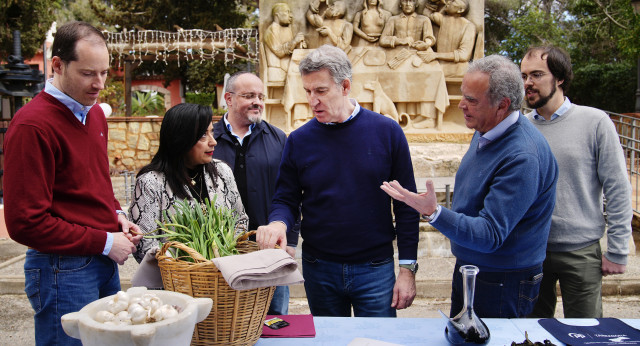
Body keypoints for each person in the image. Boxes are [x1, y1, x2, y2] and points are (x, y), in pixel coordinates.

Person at [381, 54, 559, 318]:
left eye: (472, 100)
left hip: (502, 279)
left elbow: (490, 234)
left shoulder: (522, 156)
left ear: (503, 105)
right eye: (463, 95)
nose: (461, 105)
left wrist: (435, 213)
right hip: (475, 267)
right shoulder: (487, 128)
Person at [3, 21, 142, 345]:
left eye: (104, 73)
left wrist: (116, 214)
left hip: (100, 261)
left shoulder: (93, 115)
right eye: (88, 73)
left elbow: (95, 183)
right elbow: (25, 223)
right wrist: (106, 242)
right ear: (57, 65)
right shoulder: (32, 126)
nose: (99, 84)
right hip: (60, 270)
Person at [257, 44, 420, 317]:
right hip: (319, 268)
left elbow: (407, 206)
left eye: (321, 91)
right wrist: (278, 222)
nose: (312, 101)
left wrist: (407, 269)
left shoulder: (387, 132)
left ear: (345, 87)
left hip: (375, 269)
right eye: (308, 91)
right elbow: (286, 197)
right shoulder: (298, 140)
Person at [520, 46, 633, 318]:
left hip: (581, 251)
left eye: (536, 74)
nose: (528, 83)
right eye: (523, 75)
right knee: (531, 334)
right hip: (531, 252)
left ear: (559, 78)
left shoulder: (595, 122)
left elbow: (617, 187)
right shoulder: (519, 128)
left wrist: (617, 250)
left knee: (586, 334)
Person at [212, 72, 299, 315]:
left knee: (274, 319)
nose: (257, 102)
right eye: (249, 96)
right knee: (226, 318)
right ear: (228, 99)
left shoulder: (279, 139)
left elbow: (292, 192)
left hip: (270, 251)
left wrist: (290, 240)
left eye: (260, 96)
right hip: (221, 251)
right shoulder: (209, 140)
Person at [129, 103, 249, 263]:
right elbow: (144, 244)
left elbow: (240, 220)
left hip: (222, 279)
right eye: (203, 135)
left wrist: (223, 254)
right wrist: (188, 264)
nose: (213, 142)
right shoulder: (151, 182)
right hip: (175, 282)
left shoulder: (222, 172)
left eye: (212, 132)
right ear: (180, 139)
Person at [420, 0, 476, 77]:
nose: (449, 2)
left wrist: (435, 55)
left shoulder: (468, 26)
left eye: (453, 1)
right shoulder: (444, 19)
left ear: (460, 10)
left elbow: (464, 55)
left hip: (457, 68)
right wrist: (434, 2)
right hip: (438, 64)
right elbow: (427, 14)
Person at [264, 3, 307, 83]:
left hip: (289, 65)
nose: (291, 16)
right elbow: (279, 52)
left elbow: (290, 48)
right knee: (306, 73)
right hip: (280, 69)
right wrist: (294, 42)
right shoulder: (271, 30)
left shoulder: (286, 29)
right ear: (277, 15)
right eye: (287, 12)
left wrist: (299, 44)